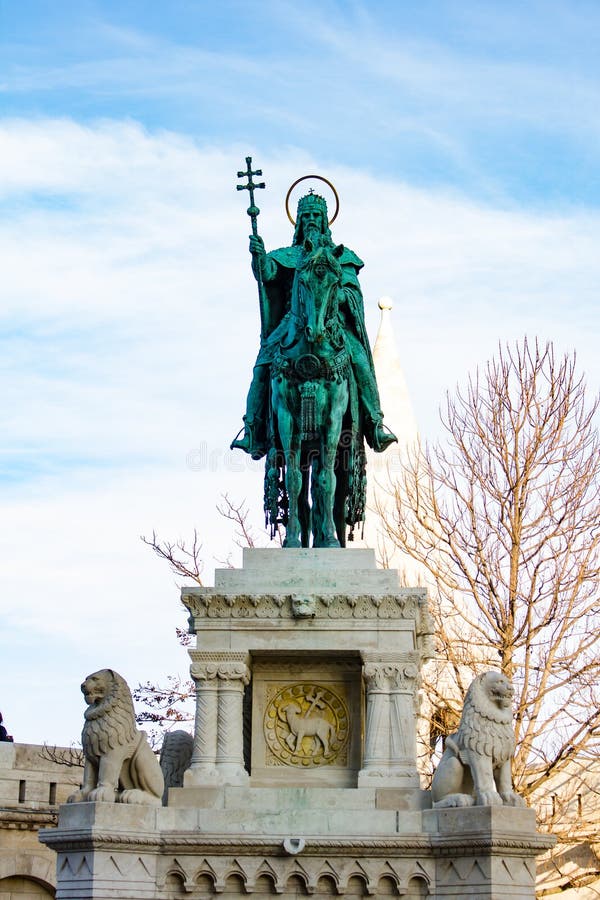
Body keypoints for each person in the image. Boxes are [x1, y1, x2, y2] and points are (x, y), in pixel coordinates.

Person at [231, 192, 396, 458]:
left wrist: (338, 296)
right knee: (261, 367)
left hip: (334, 323)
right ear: (297, 221)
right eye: (305, 215)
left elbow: (353, 292)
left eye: (316, 215)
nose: (311, 220)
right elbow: (267, 273)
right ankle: (253, 429)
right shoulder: (288, 256)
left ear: (324, 220)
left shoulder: (342, 256)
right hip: (292, 322)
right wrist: (258, 257)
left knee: (360, 362)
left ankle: (374, 424)